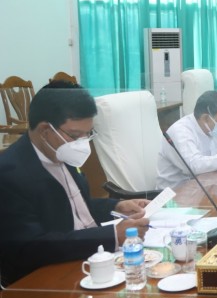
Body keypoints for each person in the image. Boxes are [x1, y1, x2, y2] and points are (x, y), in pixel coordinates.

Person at [0, 81, 150, 286]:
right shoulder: (10, 174)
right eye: (76, 135)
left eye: (88, 134)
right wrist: (112, 235)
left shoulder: (61, 151)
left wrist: (116, 206)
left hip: (91, 259)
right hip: (47, 278)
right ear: (45, 131)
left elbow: (75, 206)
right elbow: (31, 247)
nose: (83, 143)